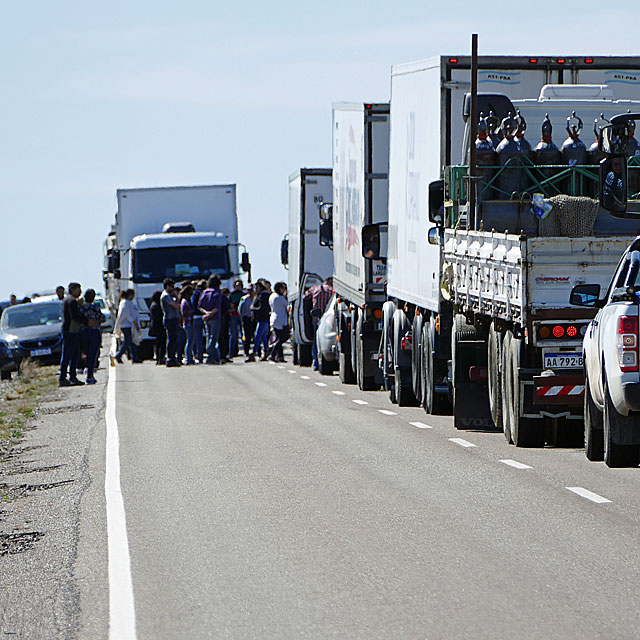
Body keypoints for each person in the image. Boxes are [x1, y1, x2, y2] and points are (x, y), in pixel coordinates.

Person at [59, 282, 87, 386]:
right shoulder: (71, 301)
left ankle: (72, 376)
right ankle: (63, 378)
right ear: (72, 290)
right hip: (70, 330)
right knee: (68, 355)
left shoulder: (68, 300)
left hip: (72, 330)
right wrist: (85, 321)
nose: (80, 291)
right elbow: (75, 316)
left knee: (74, 355)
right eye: (78, 289)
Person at [303, 277, 334, 370]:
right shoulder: (331, 290)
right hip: (328, 319)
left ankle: (316, 362)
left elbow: (305, 297)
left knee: (316, 342)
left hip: (316, 318)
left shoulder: (315, 288)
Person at [80, 288, 104, 384]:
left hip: (84, 332)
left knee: (86, 352)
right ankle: (90, 375)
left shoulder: (81, 308)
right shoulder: (95, 307)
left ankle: (84, 368)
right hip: (94, 332)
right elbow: (102, 317)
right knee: (93, 354)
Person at [198, 275, 222, 364]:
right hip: (215, 317)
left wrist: (206, 313)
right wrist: (210, 314)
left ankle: (212, 356)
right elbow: (217, 307)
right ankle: (210, 356)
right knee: (214, 337)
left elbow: (200, 306)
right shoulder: (217, 292)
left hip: (206, 318)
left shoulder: (204, 292)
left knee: (208, 336)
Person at [114, 289, 141, 364]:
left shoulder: (128, 303)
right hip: (126, 325)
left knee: (132, 341)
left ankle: (135, 357)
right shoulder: (125, 303)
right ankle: (118, 355)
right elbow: (127, 314)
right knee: (128, 341)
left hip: (129, 325)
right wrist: (134, 322)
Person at [161, 278, 181, 367]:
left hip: (173, 318)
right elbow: (176, 305)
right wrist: (177, 297)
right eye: (171, 286)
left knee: (174, 339)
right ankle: (170, 358)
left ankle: (173, 357)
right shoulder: (165, 296)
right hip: (170, 319)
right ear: (167, 286)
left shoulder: (169, 295)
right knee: (171, 339)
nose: (173, 288)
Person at [269, 282, 289, 362]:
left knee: (278, 338)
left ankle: (280, 356)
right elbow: (288, 306)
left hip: (274, 318)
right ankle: (272, 352)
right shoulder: (280, 298)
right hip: (280, 319)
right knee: (282, 338)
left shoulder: (272, 296)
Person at [250, 281, 271, 361]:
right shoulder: (262, 295)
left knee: (258, 335)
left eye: (256, 288)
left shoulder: (263, 296)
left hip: (263, 318)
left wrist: (252, 308)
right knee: (263, 336)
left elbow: (262, 308)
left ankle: (254, 352)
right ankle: (266, 351)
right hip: (262, 318)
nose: (255, 290)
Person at [191, 279, 207, 363]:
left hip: (196, 317)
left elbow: (193, 304)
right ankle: (211, 355)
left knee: (198, 338)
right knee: (209, 336)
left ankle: (199, 357)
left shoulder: (194, 294)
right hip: (206, 315)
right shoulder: (206, 293)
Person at [148, 290, 166, 365]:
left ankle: (159, 358)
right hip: (159, 326)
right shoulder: (156, 306)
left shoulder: (153, 304)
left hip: (155, 326)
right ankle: (160, 358)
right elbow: (158, 317)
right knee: (161, 343)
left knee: (158, 343)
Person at [180, 284, 196, 365]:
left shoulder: (185, 301)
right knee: (189, 341)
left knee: (191, 341)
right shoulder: (185, 302)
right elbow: (187, 313)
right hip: (188, 323)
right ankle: (188, 358)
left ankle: (190, 358)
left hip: (188, 323)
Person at [239, 284, 255, 362]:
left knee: (255, 335)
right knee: (247, 336)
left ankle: (256, 352)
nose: (250, 292)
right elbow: (240, 309)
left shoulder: (255, 299)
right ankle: (246, 351)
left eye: (251, 290)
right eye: (248, 290)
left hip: (254, 318)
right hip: (246, 318)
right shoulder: (244, 299)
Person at [229, 279, 244, 357]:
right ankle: (232, 351)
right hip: (233, 314)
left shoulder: (243, 294)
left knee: (243, 334)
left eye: (239, 285)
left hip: (241, 315)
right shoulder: (231, 294)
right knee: (233, 334)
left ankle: (245, 350)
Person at [219, 288, 232, 363]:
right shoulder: (224, 298)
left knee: (223, 337)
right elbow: (227, 308)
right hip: (224, 319)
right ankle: (223, 355)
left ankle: (223, 355)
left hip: (222, 318)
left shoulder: (219, 298)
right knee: (224, 337)